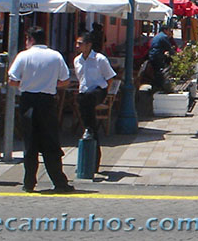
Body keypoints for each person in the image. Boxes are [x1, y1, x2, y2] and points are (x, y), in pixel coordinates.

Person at [7, 26, 74, 193]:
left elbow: (11, 80)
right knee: (51, 142)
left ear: (31, 39)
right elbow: (65, 81)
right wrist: (51, 84)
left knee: (30, 144)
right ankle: (59, 182)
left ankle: (29, 182)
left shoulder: (23, 56)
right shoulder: (55, 55)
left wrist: (25, 84)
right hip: (47, 101)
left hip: (28, 100)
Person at [73, 32, 116, 172]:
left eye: (80, 43)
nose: (77, 46)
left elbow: (109, 78)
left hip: (98, 91)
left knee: (88, 99)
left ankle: (89, 131)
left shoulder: (100, 59)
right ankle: (91, 157)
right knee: (89, 122)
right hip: (84, 94)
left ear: (88, 45)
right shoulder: (77, 60)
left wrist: (104, 94)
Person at [147, 24, 175, 91]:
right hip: (157, 56)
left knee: (156, 72)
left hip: (152, 55)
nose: (169, 32)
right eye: (168, 30)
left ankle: (155, 86)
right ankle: (158, 87)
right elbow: (169, 47)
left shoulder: (158, 35)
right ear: (165, 30)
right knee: (160, 72)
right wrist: (174, 55)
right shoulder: (163, 37)